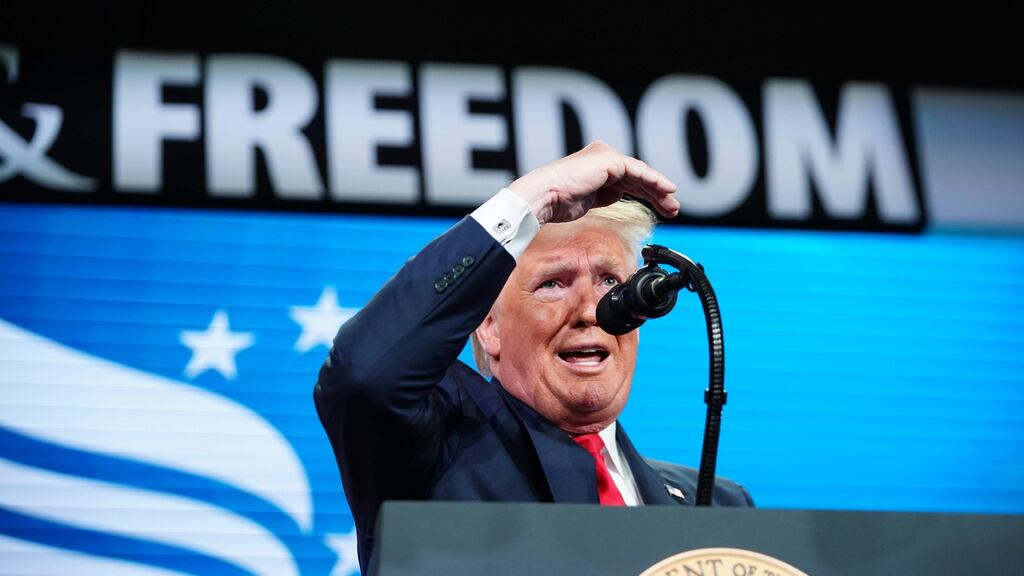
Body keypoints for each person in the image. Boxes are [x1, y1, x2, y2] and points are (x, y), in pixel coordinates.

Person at [314, 141, 753, 573]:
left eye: (609, 282)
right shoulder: (434, 452)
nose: (588, 312)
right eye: (553, 284)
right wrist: (534, 197)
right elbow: (364, 377)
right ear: (488, 326)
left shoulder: (717, 505)